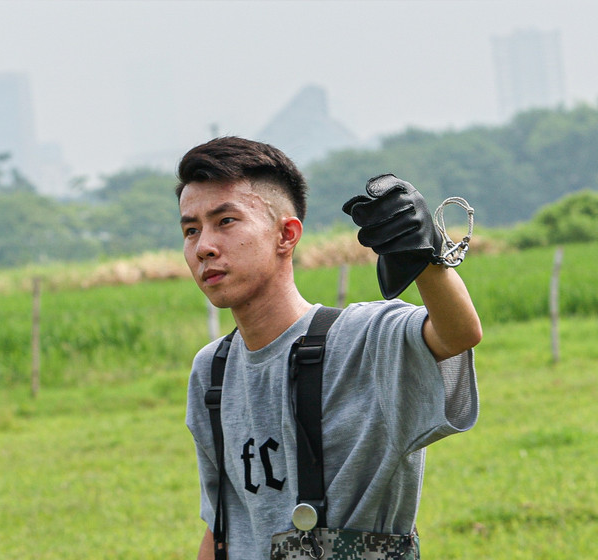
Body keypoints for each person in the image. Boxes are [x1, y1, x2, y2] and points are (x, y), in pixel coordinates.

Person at [179, 137, 481, 559]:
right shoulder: (212, 370)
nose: (203, 247)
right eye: (191, 230)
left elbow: (457, 334)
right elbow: (222, 526)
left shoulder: (364, 339)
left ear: (286, 234)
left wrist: (424, 256)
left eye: (225, 221)